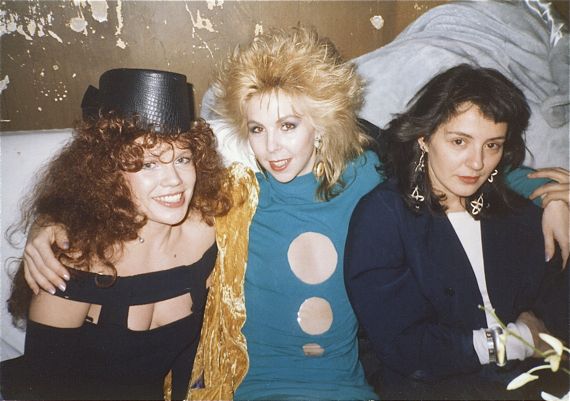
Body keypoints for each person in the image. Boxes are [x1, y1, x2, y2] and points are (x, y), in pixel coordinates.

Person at [18, 29, 569, 400]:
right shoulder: (232, 196)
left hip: (348, 388)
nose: (272, 147)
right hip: (251, 389)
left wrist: (545, 192)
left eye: (289, 126)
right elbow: (127, 206)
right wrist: (54, 225)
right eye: (257, 129)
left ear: (322, 121)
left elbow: (456, 167)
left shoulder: (368, 178)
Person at [0, 68, 231, 400]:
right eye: (149, 164)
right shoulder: (74, 259)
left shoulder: (208, 229)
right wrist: (45, 223)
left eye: (182, 159)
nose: (174, 182)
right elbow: (45, 386)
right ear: (108, 171)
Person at [345, 64, 569, 400]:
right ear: (424, 138)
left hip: (529, 381)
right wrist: (513, 342)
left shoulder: (514, 211)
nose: (476, 163)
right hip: (429, 387)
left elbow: (557, 307)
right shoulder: (384, 215)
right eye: (459, 141)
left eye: (492, 145)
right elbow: (408, 348)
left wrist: (558, 203)